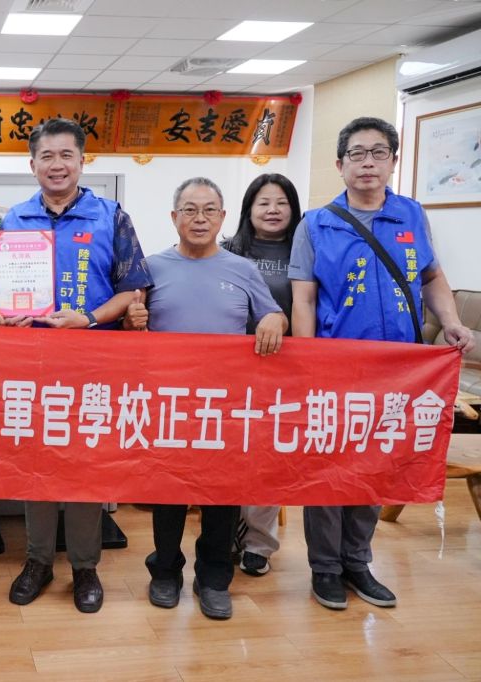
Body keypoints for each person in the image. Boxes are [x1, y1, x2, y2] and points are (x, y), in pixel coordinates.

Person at [290, 117, 476, 611]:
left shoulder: (411, 215)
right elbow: (304, 299)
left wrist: (451, 321)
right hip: (337, 368)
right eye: (357, 153)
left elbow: (432, 278)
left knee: (377, 465)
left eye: (378, 153)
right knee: (329, 467)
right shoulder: (316, 224)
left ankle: (357, 562)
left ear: (393, 161)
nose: (367, 162)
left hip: (399, 370)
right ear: (340, 164)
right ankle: (325, 568)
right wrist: (307, 362)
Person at [0, 118, 153, 614]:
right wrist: (3, 315)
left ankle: (85, 567)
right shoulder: (15, 219)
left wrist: (90, 318)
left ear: (82, 161)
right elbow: (0, 293)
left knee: (85, 466)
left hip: (91, 362)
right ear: (32, 164)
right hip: (32, 363)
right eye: (47, 156)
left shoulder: (111, 216)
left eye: (66, 155)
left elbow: (133, 289)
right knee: (37, 465)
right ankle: (37, 561)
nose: (56, 165)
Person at [133, 177, 287, 620]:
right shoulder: (151, 267)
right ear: (174, 217)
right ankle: (165, 571)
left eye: (208, 210)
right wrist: (132, 317)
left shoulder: (243, 269)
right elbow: (133, 329)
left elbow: (273, 315)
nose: (199, 219)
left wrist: (274, 318)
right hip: (169, 404)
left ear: (222, 217)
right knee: (168, 493)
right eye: (189, 209)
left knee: (222, 495)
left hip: (226, 406)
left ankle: (215, 578)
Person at [222, 173, 302, 577]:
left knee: (270, 458)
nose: (273, 210)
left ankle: (258, 543)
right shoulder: (227, 250)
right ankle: (226, 531)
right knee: (229, 455)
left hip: (282, 371)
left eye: (281, 203)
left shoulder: (306, 251)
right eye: (264, 203)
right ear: (248, 209)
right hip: (231, 373)